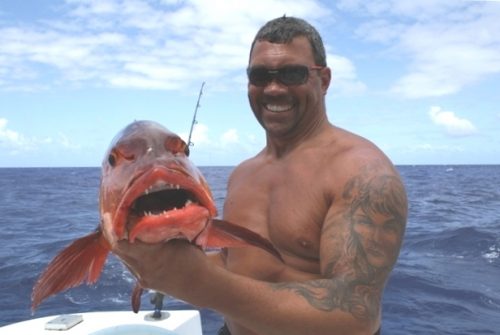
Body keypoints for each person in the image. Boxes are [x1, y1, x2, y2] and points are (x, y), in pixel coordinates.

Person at [113, 16, 408, 335]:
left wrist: (200, 282)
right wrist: (165, 267)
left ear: (323, 80)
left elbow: (355, 313)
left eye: (292, 73)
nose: (274, 88)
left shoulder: (363, 171)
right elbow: (233, 265)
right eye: (260, 75)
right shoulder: (242, 174)